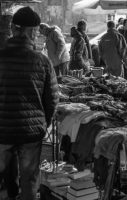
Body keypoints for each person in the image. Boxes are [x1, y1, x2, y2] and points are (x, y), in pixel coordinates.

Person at [0, 6, 59, 200]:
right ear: (31, 31)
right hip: (30, 132)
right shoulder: (42, 61)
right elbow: (52, 99)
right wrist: (44, 123)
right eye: (35, 31)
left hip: (2, 131)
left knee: (5, 177)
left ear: (13, 30)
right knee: (29, 180)